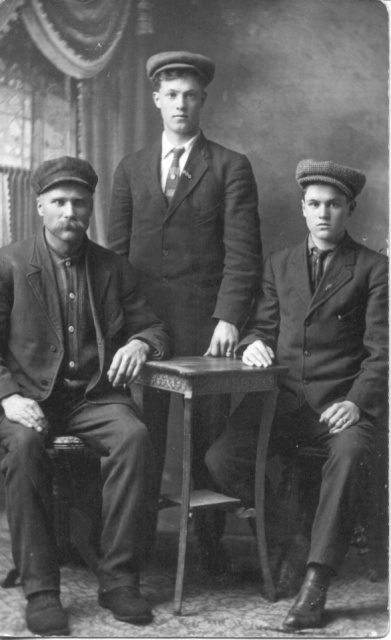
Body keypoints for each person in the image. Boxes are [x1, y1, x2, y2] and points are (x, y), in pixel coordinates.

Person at [205, 159, 388, 630]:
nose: (323, 214)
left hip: (340, 403)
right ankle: (290, 533)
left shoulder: (374, 269)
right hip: (282, 400)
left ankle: (315, 581)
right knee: (222, 458)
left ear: (350, 209)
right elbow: (261, 326)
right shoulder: (279, 263)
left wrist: (355, 402)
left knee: (349, 456)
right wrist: (254, 345)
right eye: (314, 204)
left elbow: (382, 352)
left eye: (334, 205)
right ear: (302, 208)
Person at [0, 156, 171, 635]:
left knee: (135, 438)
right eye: (58, 202)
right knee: (25, 444)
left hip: (95, 399)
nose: (69, 211)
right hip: (30, 399)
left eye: (78, 202)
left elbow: (154, 327)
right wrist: (7, 397)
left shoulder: (113, 267)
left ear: (90, 208)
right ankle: (42, 591)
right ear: (40, 207)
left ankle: (118, 580)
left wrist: (140, 342)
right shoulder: (9, 263)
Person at [108, 51, 262, 567]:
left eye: (190, 95)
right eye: (171, 95)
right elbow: (115, 255)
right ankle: (141, 546)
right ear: (156, 100)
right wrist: (127, 329)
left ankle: (209, 546)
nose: (181, 104)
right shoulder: (130, 169)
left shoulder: (229, 166)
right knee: (144, 437)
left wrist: (229, 318)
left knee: (207, 438)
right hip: (145, 329)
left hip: (206, 328)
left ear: (203, 100)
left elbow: (243, 254)